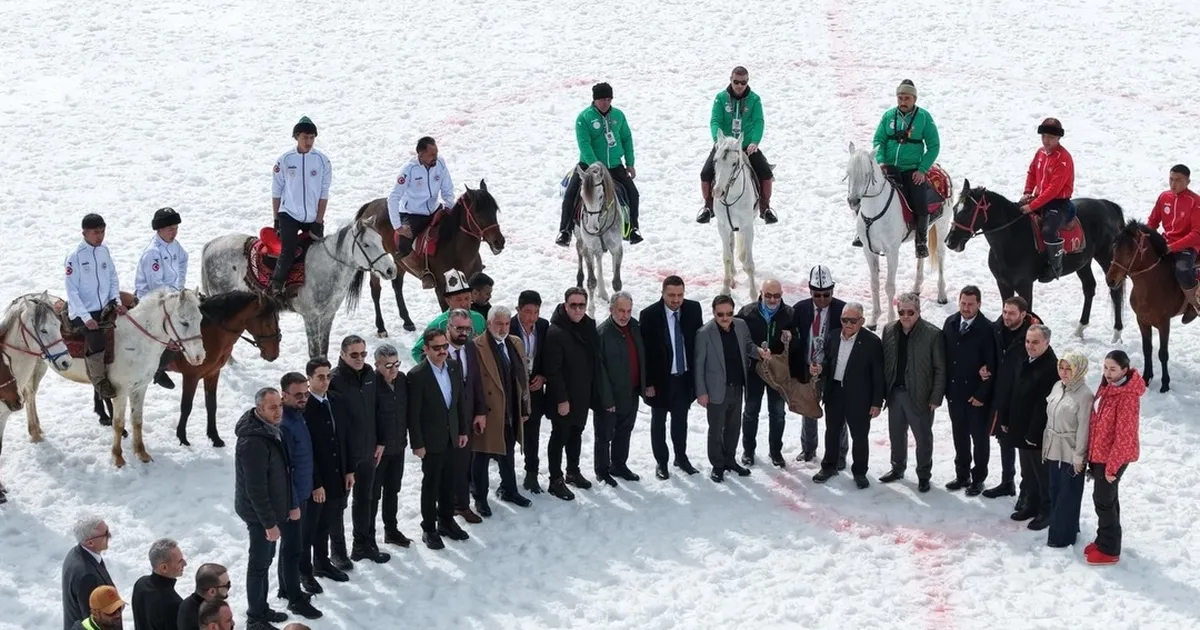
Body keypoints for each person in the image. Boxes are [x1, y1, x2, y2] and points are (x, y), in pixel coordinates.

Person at [543, 287, 613, 500]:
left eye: (581, 305)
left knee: (576, 434)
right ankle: (555, 479)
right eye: (573, 305)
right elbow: (552, 370)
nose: (577, 309)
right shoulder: (556, 332)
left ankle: (572, 471)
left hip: (583, 394)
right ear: (565, 305)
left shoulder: (587, 326)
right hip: (563, 397)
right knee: (559, 436)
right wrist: (562, 399)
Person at [233, 387, 293, 629]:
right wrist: (269, 523)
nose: (278, 411)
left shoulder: (268, 430)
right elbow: (255, 488)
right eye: (272, 407)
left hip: (270, 512)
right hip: (259, 516)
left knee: (265, 561)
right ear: (259, 410)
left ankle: (262, 607)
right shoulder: (253, 443)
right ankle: (255, 617)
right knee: (258, 564)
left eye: (279, 405)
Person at [861, 79, 940, 258]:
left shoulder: (924, 118)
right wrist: (881, 161)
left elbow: (934, 146)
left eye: (907, 98)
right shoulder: (888, 116)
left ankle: (920, 241)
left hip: (912, 169)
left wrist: (922, 169)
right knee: (867, 193)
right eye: (900, 98)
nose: (903, 102)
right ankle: (863, 232)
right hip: (888, 168)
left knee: (920, 202)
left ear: (914, 99)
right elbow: (878, 140)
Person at [407, 328, 471, 550]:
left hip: (452, 436)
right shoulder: (417, 375)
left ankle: (446, 521)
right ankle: (429, 528)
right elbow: (413, 414)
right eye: (437, 348)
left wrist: (463, 430)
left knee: (449, 482)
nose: (443, 351)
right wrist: (417, 443)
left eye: (445, 346)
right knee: (431, 484)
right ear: (426, 349)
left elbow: (459, 402)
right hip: (431, 440)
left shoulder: (454, 366)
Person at [558, 82, 642, 246]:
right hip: (588, 167)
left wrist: (630, 163)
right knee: (571, 193)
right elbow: (584, 144)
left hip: (614, 166)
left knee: (633, 193)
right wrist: (595, 166)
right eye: (602, 99)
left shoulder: (618, 115)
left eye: (609, 99)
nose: (605, 103)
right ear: (594, 100)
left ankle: (633, 228)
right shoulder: (584, 118)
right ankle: (565, 230)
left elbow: (626, 138)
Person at [329, 335, 389, 564]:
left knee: (366, 498)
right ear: (343, 354)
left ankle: (363, 544)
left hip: (369, 451)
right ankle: (337, 551)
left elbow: (378, 409)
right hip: (345, 456)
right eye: (354, 354)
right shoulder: (334, 380)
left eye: (363, 354)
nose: (359, 358)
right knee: (339, 505)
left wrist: (381, 440)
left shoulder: (371, 376)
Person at [810, 302, 884, 488]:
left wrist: (876, 402)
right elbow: (828, 360)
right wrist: (820, 368)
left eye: (853, 320)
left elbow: (878, 374)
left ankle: (859, 472)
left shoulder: (872, 342)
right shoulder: (834, 336)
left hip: (859, 397)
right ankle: (829, 466)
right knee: (832, 432)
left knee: (859, 436)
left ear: (862, 321)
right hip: (835, 392)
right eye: (845, 320)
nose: (848, 324)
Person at [879, 293, 946, 493]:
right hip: (895, 393)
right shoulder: (889, 329)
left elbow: (940, 369)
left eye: (910, 312)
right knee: (896, 435)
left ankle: (924, 475)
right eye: (901, 312)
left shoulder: (933, 334)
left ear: (918, 311)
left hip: (920, 395)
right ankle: (897, 468)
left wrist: (935, 397)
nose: (905, 316)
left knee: (923, 438)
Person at [640, 276, 703, 479]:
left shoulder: (693, 310)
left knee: (680, 421)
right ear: (663, 293)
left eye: (680, 295)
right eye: (672, 295)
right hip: (660, 380)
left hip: (683, 378)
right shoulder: (649, 315)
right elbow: (646, 352)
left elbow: (697, 344)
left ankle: (681, 457)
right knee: (658, 422)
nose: (676, 300)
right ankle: (661, 462)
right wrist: (648, 382)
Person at [996, 325, 1059, 530]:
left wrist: (1033, 433)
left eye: (1035, 342)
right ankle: (1031, 504)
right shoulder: (1026, 359)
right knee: (1028, 472)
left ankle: (1046, 510)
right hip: (1020, 427)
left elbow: (1043, 404)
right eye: (1028, 341)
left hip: (1036, 433)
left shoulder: (1050, 367)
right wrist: (1006, 419)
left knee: (1042, 474)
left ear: (1046, 343)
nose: (1030, 346)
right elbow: (1013, 391)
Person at [1086, 350, 1144, 565]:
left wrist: (1112, 467)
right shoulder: (1108, 387)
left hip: (1113, 457)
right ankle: (1104, 540)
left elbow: (1124, 436)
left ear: (1124, 370)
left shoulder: (1127, 397)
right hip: (1100, 453)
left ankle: (1109, 549)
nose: (1108, 373)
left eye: (1113, 369)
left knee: (1103, 501)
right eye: (1105, 368)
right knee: (1106, 499)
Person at [697, 66, 777, 224]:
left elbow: (758, 121)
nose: (739, 86)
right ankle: (708, 207)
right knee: (705, 173)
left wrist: (755, 141)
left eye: (743, 82)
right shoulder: (720, 98)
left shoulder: (754, 100)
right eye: (736, 82)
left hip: (746, 146)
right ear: (730, 80)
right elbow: (715, 121)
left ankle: (765, 207)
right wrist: (717, 140)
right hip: (724, 146)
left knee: (765, 172)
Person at [695, 295, 762, 482]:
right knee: (716, 429)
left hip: (737, 387)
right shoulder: (704, 333)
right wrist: (701, 392)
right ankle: (717, 464)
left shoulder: (740, 326)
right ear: (713, 313)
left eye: (729, 313)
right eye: (720, 314)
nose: (725, 318)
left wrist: (759, 352)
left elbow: (748, 346)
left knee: (734, 427)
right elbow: (699, 364)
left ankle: (730, 459)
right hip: (717, 389)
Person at [471, 306, 532, 508]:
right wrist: (477, 412)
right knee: (481, 455)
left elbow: (522, 377)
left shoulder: (515, 342)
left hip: (510, 408)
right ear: (489, 324)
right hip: (487, 411)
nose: (503, 328)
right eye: (499, 323)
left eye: (506, 323)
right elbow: (473, 384)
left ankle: (509, 489)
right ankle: (480, 498)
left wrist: (524, 408)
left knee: (508, 451)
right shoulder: (476, 347)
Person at [982, 296, 1041, 500]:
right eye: (1005, 311)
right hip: (1002, 393)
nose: (1006, 316)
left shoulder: (1033, 335)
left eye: (1012, 313)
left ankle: (1028, 492)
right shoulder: (997, 328)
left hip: (1023, 398)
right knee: (1004, 439)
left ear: (1023, 315)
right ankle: (1008, 482)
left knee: (1024, 447)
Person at [300, 358, 352, 585]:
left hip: (337, 473)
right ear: (309, 379)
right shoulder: (305, 408)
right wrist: (315, 483)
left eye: (328, 376)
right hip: (317, 477)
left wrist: (349, 470)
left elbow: (344, 438)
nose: (325, 381)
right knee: (310, 528)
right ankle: (305, 571)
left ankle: (322, 563)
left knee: (327, 522)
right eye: (320, 377)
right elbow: (306, 450)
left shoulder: (336, 401)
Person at [790, 265, 848, 465]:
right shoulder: (799, 309)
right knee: (808, 412)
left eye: (826, 294)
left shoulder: (842, 310)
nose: (822, 299)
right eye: (817, 294)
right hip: (808, 369)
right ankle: (808, 449)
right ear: (809, 290)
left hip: (833, 372)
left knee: (837, 415)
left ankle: (840, 454)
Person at [942, 286, 997, 495]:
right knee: (960, 435)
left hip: (976, 397)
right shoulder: (951, 322)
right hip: (955, 393)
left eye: (970, 304)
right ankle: (962, 474)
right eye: (963, 303)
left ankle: (978, 478)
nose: (966, 308)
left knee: (979, 440)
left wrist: (981, 394)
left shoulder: (987, 329)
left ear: (979, 304)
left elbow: (992, 365)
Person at [276, 373, 321, 620]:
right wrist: (293, 503)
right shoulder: (285, 424)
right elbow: (286, 470)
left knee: (292, 547)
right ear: (283, 394)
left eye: (305, 393)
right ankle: (295, 598)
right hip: (292, 499)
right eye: (298, 395)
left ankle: (286, 588)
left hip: (302, 493)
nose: (303, 398)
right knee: (293, 549)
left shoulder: (298, 416)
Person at [65, 213, 124, 399]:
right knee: (97, 339)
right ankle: (99, 381)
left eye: (103, 231)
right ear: (84, 233)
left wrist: (117, 302)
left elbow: (113, 278)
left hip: (105, 307)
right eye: (96, 232)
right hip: (83, 311)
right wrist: (86, 318)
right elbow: (72, 291)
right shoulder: (74, 257)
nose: (100, 236)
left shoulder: (104, 251)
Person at [736, 278, 794, 467]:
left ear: (782, 295)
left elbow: (799, 343)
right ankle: (748, 450)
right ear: (761, 293)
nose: (772, 299)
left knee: (777, 413)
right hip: (755, 370)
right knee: (751, 411)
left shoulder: (789, 314)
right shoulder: (747, 313)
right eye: (768, 295)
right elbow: (739, 340)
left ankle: (776, 451)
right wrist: (756, 352)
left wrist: (791, 339)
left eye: (776, 296)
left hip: (777, 373)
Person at [270, 116, 331, 294]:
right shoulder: (285, 160)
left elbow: (323, 194)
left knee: (317, 253)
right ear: (296, 137)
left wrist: (318, 221)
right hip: (288, 214)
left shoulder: (322, 161)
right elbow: (276, 191)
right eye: (305, 137)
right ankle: (277, 286)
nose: (309, 141)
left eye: (312, 137)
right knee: (288, 251)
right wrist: (276, 219)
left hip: (312, 216)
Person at [387, 136, 456, 288]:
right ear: (420, 154)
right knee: (403, 245)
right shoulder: (408, 170)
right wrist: (397, 226)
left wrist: (449, 207)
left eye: (436, 153)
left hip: (434, 208)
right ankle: (423, 274)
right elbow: (393, 198)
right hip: (412, 213)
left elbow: (447, 189)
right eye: (432, 155)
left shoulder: (440, 164)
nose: (435, 157)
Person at [594, 292, 647, 486]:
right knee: (604, 434)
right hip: (610, 396)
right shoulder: (602, 334)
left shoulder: (634, 327)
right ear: (611, 310)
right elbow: (599, 372)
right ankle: (602, 470)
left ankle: (619, 464)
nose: (625, 315)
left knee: (625, 431)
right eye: (621, 311)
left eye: (628, 311)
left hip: (630, 391)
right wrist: (607, 400)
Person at [1042, 352, 1093, 548]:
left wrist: (1079, 456)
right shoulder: (1057, 386)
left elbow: (1084, 428)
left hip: (1071, 452)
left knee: (1068, 494)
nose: (1064, 373)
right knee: (1055, 490)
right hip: (1054, 448)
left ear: (1078, 369)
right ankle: (1067, 528)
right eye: (1061, 368)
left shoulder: (1085, 395)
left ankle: (1060, 538)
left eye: (1068, 369)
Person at [134, 206, 188, 390]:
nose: (174, 233)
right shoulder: (153, 253)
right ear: (159, 230)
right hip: (152, 300)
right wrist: (174, 295)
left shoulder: (175, 246)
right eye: (170, 229)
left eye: (176, 228)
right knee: (173, 330)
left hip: (172, 295)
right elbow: (156, 286)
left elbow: (183, 260)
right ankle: (159, 368)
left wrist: (179, 287)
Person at [1019, 117, 1074, 281]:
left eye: (1050, 137)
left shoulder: (1063, 159)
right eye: (1044, 136)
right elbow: (1032, 172)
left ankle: (1055, 266)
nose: (1046, 140)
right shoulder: (1040, 153)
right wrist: (1028, 191)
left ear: (1058, 138)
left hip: (1058, 203)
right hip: (1039, 198)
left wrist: (1031, 206)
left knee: (1049, 231)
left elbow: (1053, 190)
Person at [1146, 164, 1200, 317]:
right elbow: (1153, 222)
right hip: (1166, 242)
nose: (1173, 184)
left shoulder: (1195, 201)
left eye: (1178, 180)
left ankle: (1195, 304)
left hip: (1187, 247)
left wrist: (1173, 247)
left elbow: (1197, 234)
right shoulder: (1164, 197)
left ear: (1188, 182)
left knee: (1182, 270)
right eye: (1171, 179)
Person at [512, 290, 550, 493]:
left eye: (536, 312)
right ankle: (507, 478)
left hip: (534, 391)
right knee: (509, 435)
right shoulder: (507, 327)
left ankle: (532, 474)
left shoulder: (543, 326)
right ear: (518, 309)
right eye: (527, 312)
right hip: (512, 392)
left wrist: (543, 376)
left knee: (533, 434)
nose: (532, 317)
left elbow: (546, 355)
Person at [372, 344, 410, 547]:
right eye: (388, 365)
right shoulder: (371, 384)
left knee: (392, 490)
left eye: (396, 364)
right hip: (378, 451)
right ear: (377, 365)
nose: (393, 369)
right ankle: (368, 535)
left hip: (398, 447)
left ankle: (391, 530)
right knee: (372, 495)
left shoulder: (403, 380)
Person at [410, 269, 487, 360]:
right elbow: (417, 351)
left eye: (467, 298)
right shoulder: (438, 324)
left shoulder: (479, 318)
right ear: (448, 301)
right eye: (459, 300)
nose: (464, 303)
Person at [62, 516, 115, 630]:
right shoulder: (87, 576)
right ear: (90, 543)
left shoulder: (78, 552)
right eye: (105, 534)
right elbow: (95, 621)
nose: (110, 536)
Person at [131, 537, 186, 630]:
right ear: (164, 568)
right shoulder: (174, 604)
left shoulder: (140, 584)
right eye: (180, 561)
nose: (185, 563)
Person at [176, 563, 229, 630]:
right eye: (227, 585)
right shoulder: (207, 619)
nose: (229, 588)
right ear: (212, 592)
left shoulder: (186, 604)